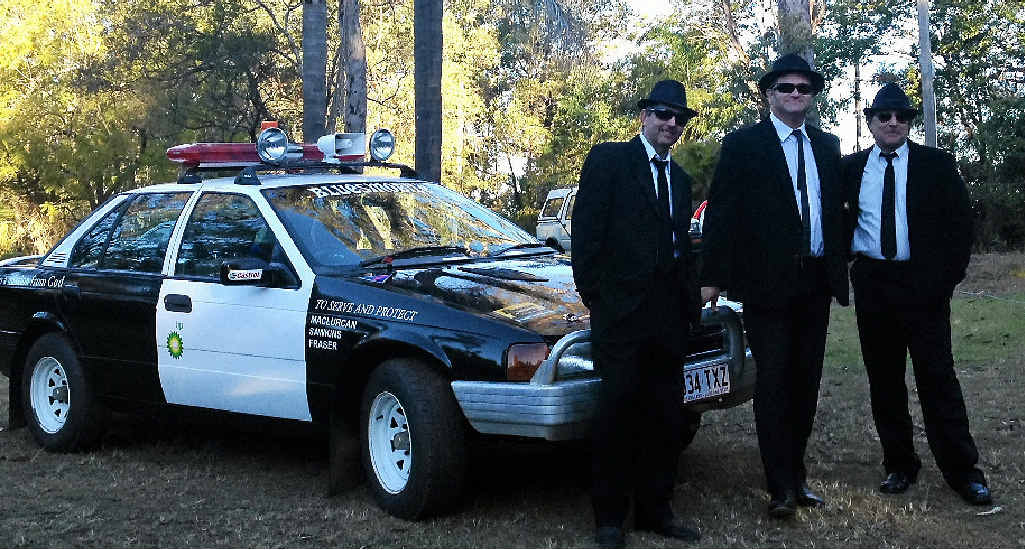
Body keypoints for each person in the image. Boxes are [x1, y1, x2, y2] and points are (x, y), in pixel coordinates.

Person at [699, 54, 849, 518]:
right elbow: (721, 214)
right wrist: (711, 278)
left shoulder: (827, 145)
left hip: (816, 281)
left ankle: (797, 476)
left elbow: (835, 210)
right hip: (767, 285)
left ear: (812, 96)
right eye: (787, 87)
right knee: (776, 380)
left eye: (804, 88)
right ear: (769, 94)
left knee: (806, 381)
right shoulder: (744, 145)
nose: (796, 95)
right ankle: (780, 485)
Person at [842, 82, 991, 505]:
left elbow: (960, 225)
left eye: (901, 116)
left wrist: (944, 280)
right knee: (884, 380)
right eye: (884, 116)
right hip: (874, 285)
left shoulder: (936, 164)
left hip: (924, 287)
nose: (893, 122)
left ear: (909, 123)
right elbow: (836, 221)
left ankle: (963, 471)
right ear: (870, 122)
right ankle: (899, 464)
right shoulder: (850, 169)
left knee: (937, 377)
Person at [572, 79, 703, 548]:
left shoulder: (680, 180)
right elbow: (586, 233)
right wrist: (597, 298)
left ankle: (656, 510)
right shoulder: (610, 161)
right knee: (617, 414)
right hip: (621, 316)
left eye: (679, 118)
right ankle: (610, 518)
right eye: (663, 114)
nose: (672, 123)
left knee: (666, 416)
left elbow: (680, 247)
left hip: (669, 317)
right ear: (644, 116)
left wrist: (689, 302)